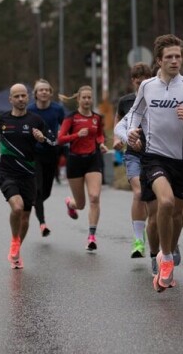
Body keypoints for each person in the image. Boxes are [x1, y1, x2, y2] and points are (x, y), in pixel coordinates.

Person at [127, 34, 183, 292]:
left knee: (177, 215)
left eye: (178, 56)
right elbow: (135, 113)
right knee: (165, 202)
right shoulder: (147, 86)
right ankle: (164, 257)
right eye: (170, 57)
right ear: (159, 60)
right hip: (154, 157)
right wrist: (131, 131)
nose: (175, 61)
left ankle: (170, 250)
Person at [0, 83, 54, 269]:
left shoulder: (36, 120)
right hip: (7, 173)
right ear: (10, 99)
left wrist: (42, 139)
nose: (21, 99)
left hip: (29, 174)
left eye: (23, 95)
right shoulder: (2, 120)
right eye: (17, 96)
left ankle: (17, 250)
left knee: (26, 218)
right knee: (17, 207)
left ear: (28, 97)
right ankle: (15, 240)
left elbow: (53, 141)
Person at [59, 86, 107, 251]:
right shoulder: (71, 118)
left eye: (89, 98)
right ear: (78, 99)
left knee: (94, 197)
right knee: (80, 204)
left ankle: (91, 236)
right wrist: (76, 135)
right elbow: (60, 139)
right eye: (84, 98)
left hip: (93, 159)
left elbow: (99, 134)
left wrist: (101, 144)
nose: (87, 100)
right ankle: (70, 204)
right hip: (75, 161)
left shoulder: (97, 118)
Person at [114, 62, 153, 258]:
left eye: (146, 81)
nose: (142, 86)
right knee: (139, 192)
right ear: (133, 82)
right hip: (133, 154)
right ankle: (138, 239)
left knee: (154, 198)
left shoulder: (157, 99)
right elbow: (118, 121)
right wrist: (119, 139)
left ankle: (158, 231)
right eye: (138, 83)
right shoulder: (126, 101)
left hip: (155, 154)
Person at [28, 79, 67, 237]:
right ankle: (42, 223)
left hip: (52, 152)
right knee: (37, 189)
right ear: (36, 94)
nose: (44, 92)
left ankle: (34, 203)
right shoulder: (30, 110)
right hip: (35, 153)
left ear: (50, 93)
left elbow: (65, 127)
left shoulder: (57, 109)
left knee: (46, 192)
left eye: (46, 90)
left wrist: (61, 135)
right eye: (40, 90)